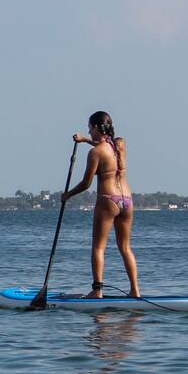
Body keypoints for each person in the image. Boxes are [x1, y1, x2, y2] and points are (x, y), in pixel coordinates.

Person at [61, 111, 140, 298]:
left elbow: (86, 183)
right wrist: (85, 140)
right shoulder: (120, 145)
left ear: (96, 127)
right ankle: (135, 291)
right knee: (125, 248)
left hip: (108, 200)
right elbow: (105, 144)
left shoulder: (95, 153)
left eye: (90, 128)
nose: (89, 131)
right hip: (127, 201)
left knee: (98, 247)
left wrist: (68, 195)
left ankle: (97, 291)